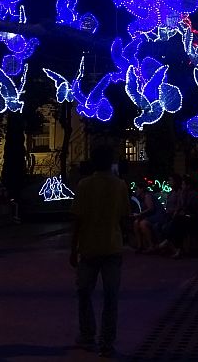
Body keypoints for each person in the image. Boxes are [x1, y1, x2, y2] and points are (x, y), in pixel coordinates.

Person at [71, 146, 130, 357]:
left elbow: (77, 219)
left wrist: (73, 248)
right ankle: (107, 341)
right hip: (112, 246)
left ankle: (88, 335)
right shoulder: (120, 185)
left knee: (84, 292)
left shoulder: (84, 185)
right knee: (111, 297)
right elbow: (125, 216)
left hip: (88, 247)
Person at [132, 181, 164, 252]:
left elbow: (151, 208)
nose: (136, 190)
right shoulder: (141, 198)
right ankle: (140, 245)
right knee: (136, 222)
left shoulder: (147, 195)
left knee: (142, 223)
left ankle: (151, 245)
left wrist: (140, 214)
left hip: (157, 215)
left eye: (137, 189)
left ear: (142, 189)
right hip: (151, 215)